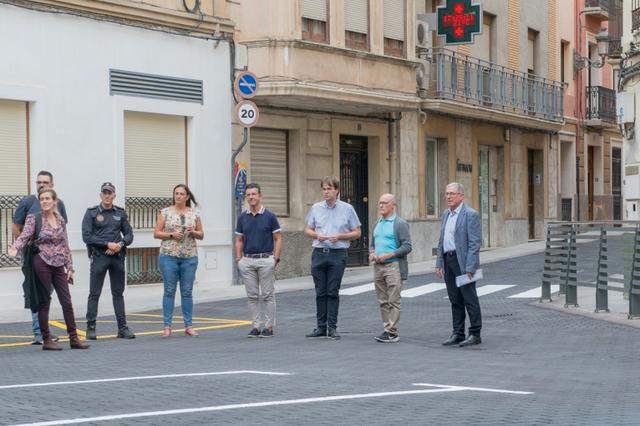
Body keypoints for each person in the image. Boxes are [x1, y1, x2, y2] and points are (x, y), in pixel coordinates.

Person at [8, 188, 89, 350]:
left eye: (47, 198)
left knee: (66, 300)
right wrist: (15, 248)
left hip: (59, 264)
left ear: (54, 201)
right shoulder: (34, 218)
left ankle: (74, 338)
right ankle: (46, 340)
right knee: (45, 300)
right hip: (42, 261)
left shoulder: (60, 220)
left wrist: (70, 267)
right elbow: (24, 236)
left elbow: (65, 244)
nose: (44, 201)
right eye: (42, 199)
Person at [304, 176, 361, 340]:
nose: (326, 192)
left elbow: (357, 232)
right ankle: (320, 327)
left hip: (337, 254)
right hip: (319, 253)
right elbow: (307, 229)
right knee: (320, 292)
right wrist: (316, 235)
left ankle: (332, 327)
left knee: (332, 291)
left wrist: (342, 236)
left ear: (337, 190)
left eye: (329, 188)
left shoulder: (347, 209)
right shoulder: (316, 208)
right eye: (324, 189)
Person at [12, 171, 65, 345]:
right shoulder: (27, 202)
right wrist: (26, 245)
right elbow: (16, 227)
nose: (41, 185)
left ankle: (43, 331)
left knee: (47, 292)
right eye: (39, 182)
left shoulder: (60, 204)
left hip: (53, 258)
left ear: (52, 184)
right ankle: (38, 332)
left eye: (45, 182)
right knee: (35, 291)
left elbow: (61, 232)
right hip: (32, 257)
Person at [82, 182, 135, 340]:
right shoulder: (91, 213)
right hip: (99, 257)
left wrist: (120, 244)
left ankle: (122, 328)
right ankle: (91, 328)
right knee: (94, 293)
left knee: (118, 293)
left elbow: (129, 234)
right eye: (104, 192)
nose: (107, 195)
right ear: (100, 195)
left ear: (114, 195)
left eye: (110, 193)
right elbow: (87, 237)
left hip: (117, 257)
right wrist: (107, 244)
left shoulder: (120, 212)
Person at [435, 182, 482, 347]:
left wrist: (470, 267)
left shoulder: (471, 215)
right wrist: (439, 262)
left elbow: (475, 243)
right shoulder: (446, 214)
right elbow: (441, 240)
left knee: (469, 298)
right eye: (447, 193)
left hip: (463, 263)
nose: (448, 196)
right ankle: (458, 333)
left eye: (452, 193)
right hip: (448, 261)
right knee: (455, 299)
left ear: (461, 196)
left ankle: (475, 333)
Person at [154, 184, 204, 338]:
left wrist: (193, 232)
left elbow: (201, 235)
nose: (179, 196)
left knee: (187, 292)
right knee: (169, 290)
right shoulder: (165, 212)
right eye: (176, 193)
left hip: (189, 257)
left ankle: (188, 326)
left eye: (182, 194)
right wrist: (171, 235)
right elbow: (156, 233)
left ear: (187, 196)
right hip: (169, 256)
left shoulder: (194, 213)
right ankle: (167, 326)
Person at [235, 183, 282, 338]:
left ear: (260, 196)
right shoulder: (242, 217)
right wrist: (238, 259)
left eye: (254, 194)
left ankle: (268, 327)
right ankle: (256, 327)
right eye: (248, 195)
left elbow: (278, 238)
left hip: (265, 259)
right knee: (252, 296)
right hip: (247, 261)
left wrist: (275, 258)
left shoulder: (270, 216)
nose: (251, 197)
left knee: (268, 295)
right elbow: (239, 239)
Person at [369, 194, 412, 343]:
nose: (381, 205)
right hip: (378, 266)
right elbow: (373, 243)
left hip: (393, 266)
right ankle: (387, 329)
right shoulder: (377, 223)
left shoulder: (399, 224)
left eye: (384, 203)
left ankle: (392, 332)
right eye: (380, 203)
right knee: (382, 300)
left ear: (393, 205)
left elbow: (407, 246)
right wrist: (372, 253)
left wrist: (388, 255)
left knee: (393, 300)